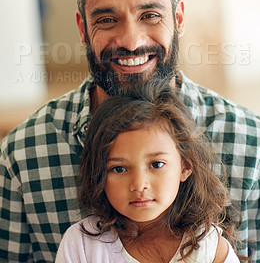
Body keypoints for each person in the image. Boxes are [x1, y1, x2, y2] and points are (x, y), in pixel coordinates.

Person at [0, 0, 260, 262]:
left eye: (150, 15)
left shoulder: (253, 146)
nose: (131, 40)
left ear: (178, 18)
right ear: (82, 30)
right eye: (108, 20)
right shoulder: (22, 158)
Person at [55, 83, 241, 263]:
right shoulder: (82, 245)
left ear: (185, 167)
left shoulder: (208, 248)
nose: (139, 184)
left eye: (156, 164)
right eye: (119, 169)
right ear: (99, 174)